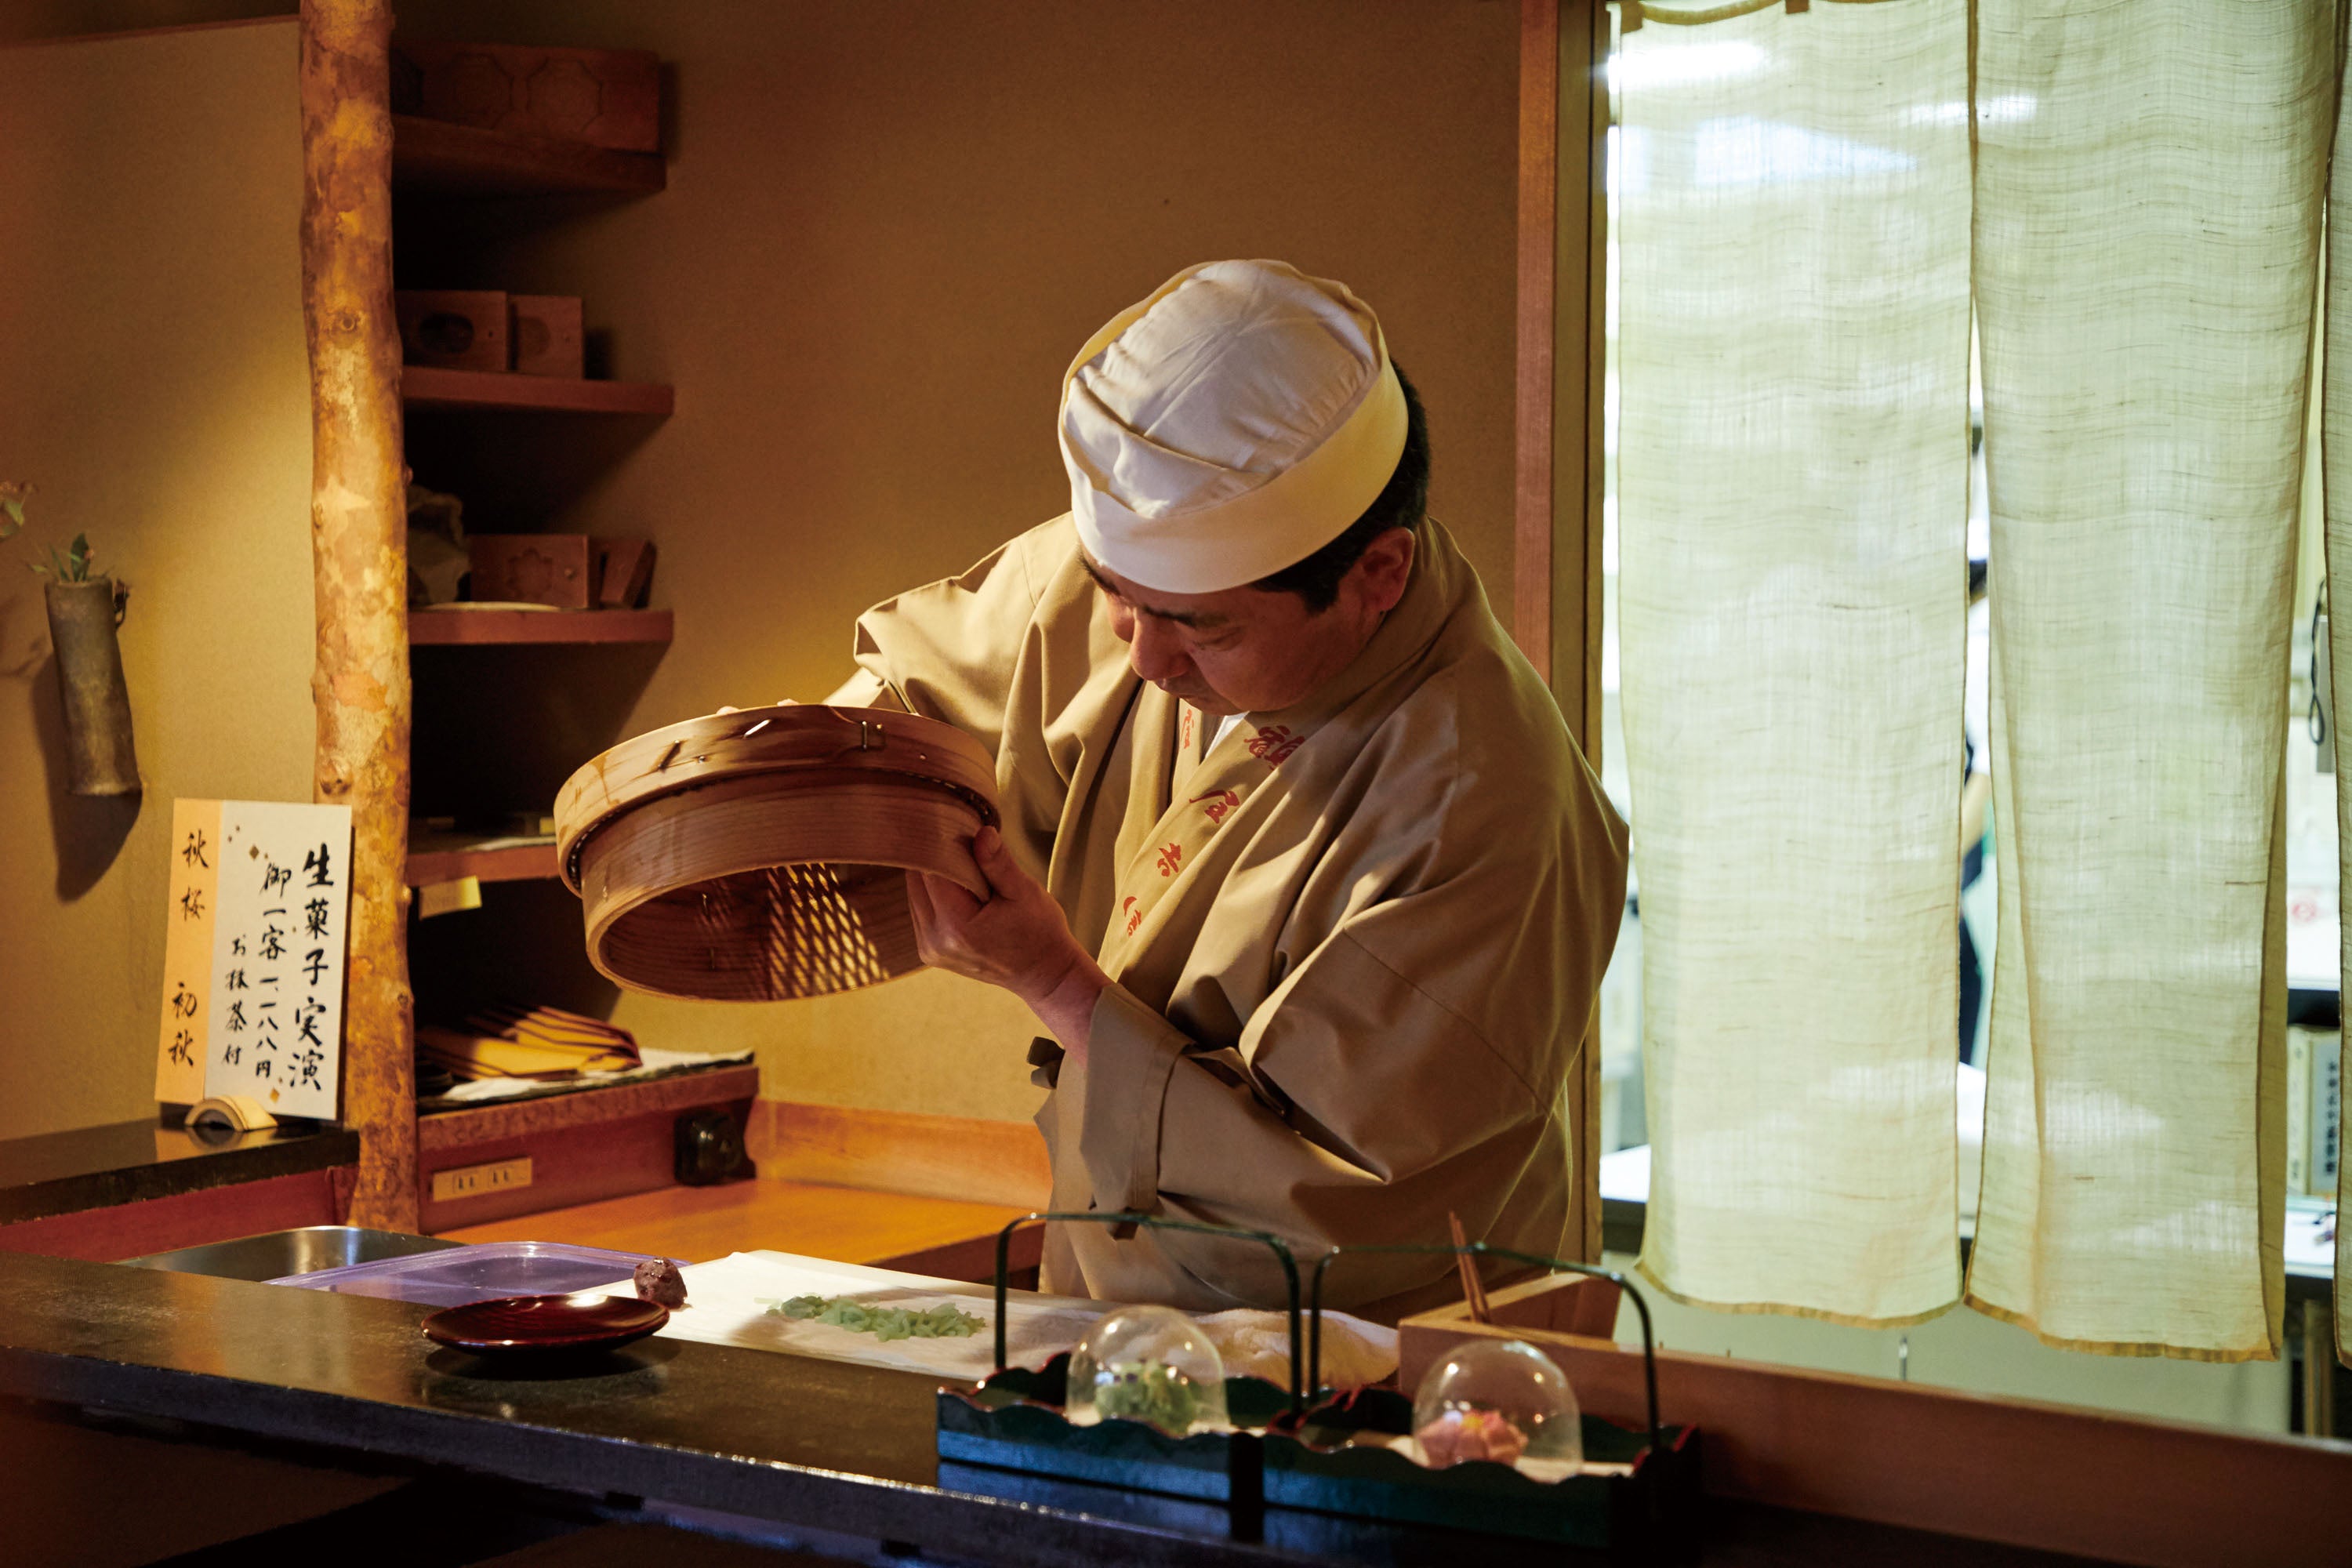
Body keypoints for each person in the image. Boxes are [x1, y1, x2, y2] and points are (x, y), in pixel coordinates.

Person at [822, 260, 1628, 1319]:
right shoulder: (1155, 579)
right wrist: (788, 778)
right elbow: (918, 689)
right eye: (1117, 594)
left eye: (1201, 629)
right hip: (1107, 1315)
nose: (1141, 656)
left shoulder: (1482, 797)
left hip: (1361, 1359)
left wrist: (1054, 983)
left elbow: (1325, 1203)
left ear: (1379, 574)